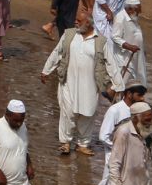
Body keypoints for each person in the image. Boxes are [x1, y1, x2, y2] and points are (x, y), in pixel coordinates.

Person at [40, 13, 108, 155]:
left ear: (88, 24)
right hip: (68, 83)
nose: (75, 22)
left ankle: (82, 144)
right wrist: (46, 70)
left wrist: (117, 85)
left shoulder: (100, 41)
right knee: (67, 112)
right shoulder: (69, 35)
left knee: (87, 114)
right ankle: (65, 142)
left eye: (79, 20)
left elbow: (111, 63)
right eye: (75, 19)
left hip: (90, 86)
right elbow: (57, 52)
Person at [106, 0, 146, 93]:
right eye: (137, 9)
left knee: (133, 78)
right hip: (125, 56)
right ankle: (113, 95)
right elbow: (115, 36)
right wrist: (129, 46)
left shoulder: (133, 16)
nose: (139, 12)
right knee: (123, 81)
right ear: (130, 8)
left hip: (135, 55)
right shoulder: (121, 18)